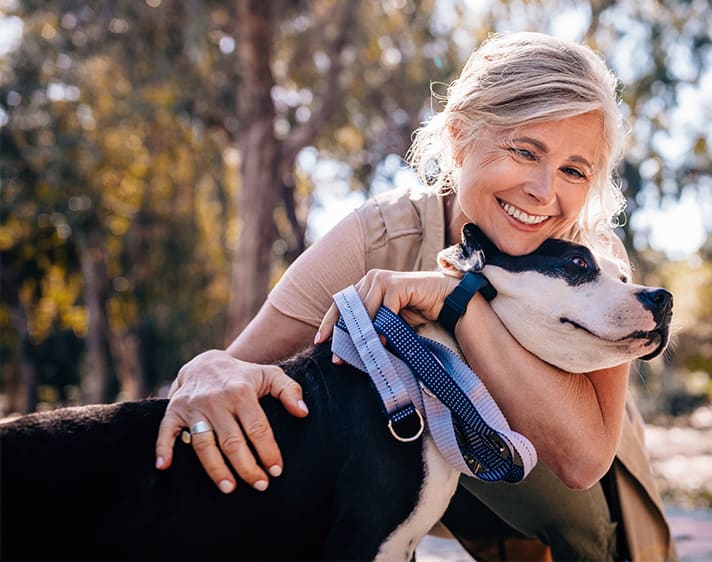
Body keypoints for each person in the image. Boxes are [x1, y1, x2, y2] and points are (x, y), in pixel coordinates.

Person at [155, 31, 677, 562]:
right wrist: (206, 371)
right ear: (459, 136)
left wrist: (457, 300)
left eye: (573, 170)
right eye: (525, 151)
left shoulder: (596, 262)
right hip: (410, 469)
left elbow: (582, 461)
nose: (544, 192)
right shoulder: (381, 236)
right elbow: (234, 368)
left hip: (564, 503)